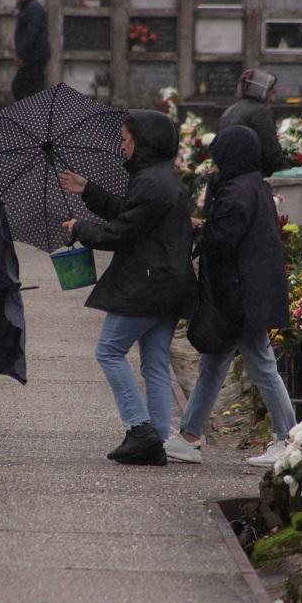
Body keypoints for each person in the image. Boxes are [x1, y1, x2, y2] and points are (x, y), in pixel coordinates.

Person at [58, 111, 196, 466]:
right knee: (154, 362)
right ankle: (159, 439)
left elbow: (119, 233)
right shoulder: (161, 178)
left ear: (143, 141)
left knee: (108, 351)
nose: (122, 145)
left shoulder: (151, 182)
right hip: (169, 284)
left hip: (147, 284)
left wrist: (80, 228)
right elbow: (130, 213)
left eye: (125, 139)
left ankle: (140, 429)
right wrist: (87, 189)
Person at [163, 125, 297, 468]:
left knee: (262, 366)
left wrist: (199, 233)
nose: (215, 159)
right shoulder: (252, 185)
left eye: (220, 152)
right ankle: (189, 437)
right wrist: (205, 227)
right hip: (246, 292)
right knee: (213, 363)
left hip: (241, 296)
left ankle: (289, 437)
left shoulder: (236, 191)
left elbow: (224, 242)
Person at [217, 68, 295, 177]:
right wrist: (288, 172)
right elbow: (270, 152)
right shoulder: (261, 112)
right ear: (262, 91)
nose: (273, 99)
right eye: (272, 92)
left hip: (229, 176)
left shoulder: (229, 110)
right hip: (252, 177)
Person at [11, 0, 51, 101]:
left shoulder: (33, 9)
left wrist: (20, 54)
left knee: (20, 87)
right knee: (30, 88)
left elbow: (31, 34)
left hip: (34, 56)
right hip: (33, 55)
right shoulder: (28, 8)